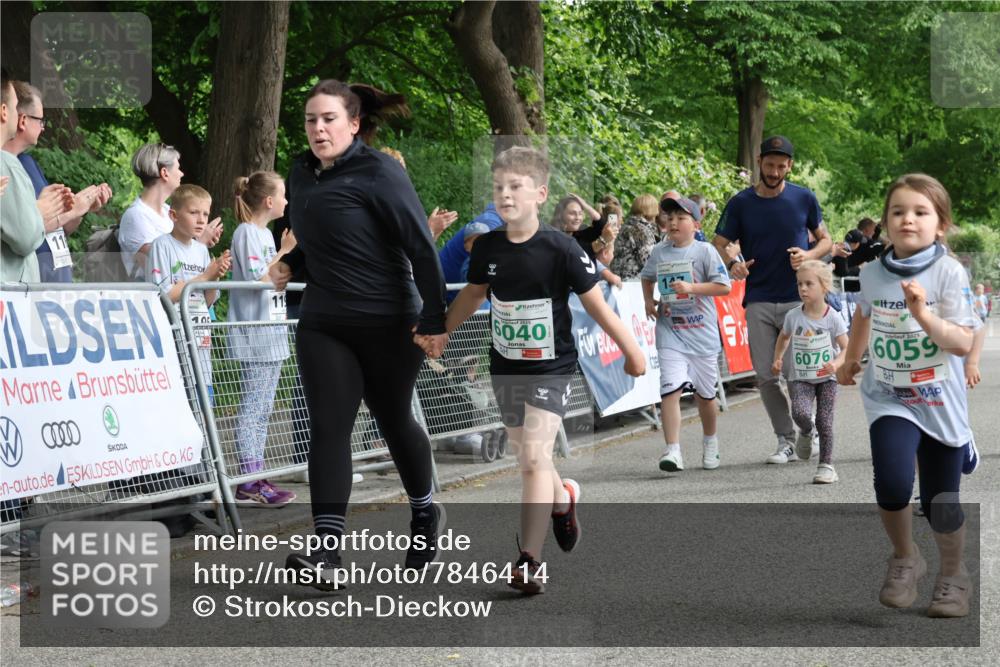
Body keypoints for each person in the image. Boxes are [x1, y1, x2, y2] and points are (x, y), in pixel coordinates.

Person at [443, 146, 646, 594]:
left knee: (534, 458)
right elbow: (473, 296)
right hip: (505, 367)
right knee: (530, 457)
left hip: (552, 367)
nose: (505, 194)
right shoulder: (489, 248)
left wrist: (633, 350)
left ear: (540, 193)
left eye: (515, 186)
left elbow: (596, 305)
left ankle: (529, 560)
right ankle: (564, 497)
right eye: (498, 187)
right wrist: (441, 333)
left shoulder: (561, 248)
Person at [270, 80, 448, 587]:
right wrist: (293, 262)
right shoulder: (301, 174)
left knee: (394, 421)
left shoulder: (380, 172)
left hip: (389, 321)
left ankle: (424, 510)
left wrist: (434, 320)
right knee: (329, 427)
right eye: (310, 120)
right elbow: (322, 235)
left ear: (352, 124)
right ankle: (326, 553)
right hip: (326, 321)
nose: (318, 129)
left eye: (328, 119)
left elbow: (419, 246)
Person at [836, 173, 979, 618]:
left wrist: (922, 315)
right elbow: (864, 315)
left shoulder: (949, 272)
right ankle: (905, 557)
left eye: (920, 212)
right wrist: (850, 360)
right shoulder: (873, 273)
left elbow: (961, 341)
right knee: (894, 483)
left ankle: (954, 575)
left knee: (941, 501)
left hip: (939, 400)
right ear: (885, 222)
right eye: (898, 211)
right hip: (889, 397)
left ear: (940, 225)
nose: (908, 220)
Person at [713, 135, 832, 465]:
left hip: (799, 299)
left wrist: (808, 254)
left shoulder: (803, 198)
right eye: (769, 165)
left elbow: (826, 240)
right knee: (766, 376)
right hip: (759, 299)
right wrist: (733, 263)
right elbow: (720, 241)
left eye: (781, 166)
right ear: (759, 162)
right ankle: (786, 440)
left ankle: (810, 429)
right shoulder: (741, 203)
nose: (775, 171)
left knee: (799, 375)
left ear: (789, 166)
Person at [640, 196, 731, 472]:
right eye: (670, 218)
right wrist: (647, 300)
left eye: (681, 218)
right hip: (671, 332)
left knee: (706, 397)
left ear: (696, 224)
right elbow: (647, 276)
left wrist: (692, 289)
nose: (674, 223)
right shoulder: (659, 251)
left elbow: (723, 287)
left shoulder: (705, 251)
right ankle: (673, 450)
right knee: (670, 389)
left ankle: (710, 442)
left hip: (702, 335)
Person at [229, 172, 298, 506]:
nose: (286, 202)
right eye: (283, 195)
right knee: (253, 408)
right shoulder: (246, 233)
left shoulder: (265, 236)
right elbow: (258, 279)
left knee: (265, 409)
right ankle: (248, 477)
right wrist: (283, 251)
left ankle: (257, 473)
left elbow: (271, 277)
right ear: (268, 201)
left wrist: (283, 265)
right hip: (255, 334)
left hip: (272, 333)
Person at [3, 82, 111, 282]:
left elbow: (55, 227)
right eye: (40, 120)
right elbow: (25, 233)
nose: (43, 127)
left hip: (54, 280)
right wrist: (71, 210)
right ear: (23, 121)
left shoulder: (27, 162)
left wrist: (80, 208)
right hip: (25, 288)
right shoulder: (5, 168)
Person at [146, 185, 231, 404]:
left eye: (205, 214)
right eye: (194, 213)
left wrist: (214, 277)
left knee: (205, 411)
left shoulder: (201, 250)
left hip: (200, 343)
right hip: (174, 344)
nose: (201, 220)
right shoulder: (162, 246)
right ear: (173, 215)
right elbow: (163, 295)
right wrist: (204, 277)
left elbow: (208, 301)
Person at [770, 260, 849, 484]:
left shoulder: (832, 317)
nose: (803, 288)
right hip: (800, 377)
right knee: (800, 413)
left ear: (823, 286)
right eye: (799, 284)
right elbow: (783, 337)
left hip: (827, 378)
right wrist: (777, 358)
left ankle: (826, 465)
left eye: (809, 284)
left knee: (825, 420)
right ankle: (806, 431)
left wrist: (836, 364)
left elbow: (847, 347)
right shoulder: (794, 316)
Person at [119, 143, 222, 280]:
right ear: (164, 173)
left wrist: (198, 238)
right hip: (152, 299)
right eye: (178, 168)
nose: (182, 173)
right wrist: (200, 242)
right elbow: (161, 267)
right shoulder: (136, 216)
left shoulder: (168, 211)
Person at [0, 68, 45, 283]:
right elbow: (26, 237)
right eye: (15, 107)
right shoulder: (5, 163)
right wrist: (39, 213)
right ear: (4, 111)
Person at [610, 193, 659, 280]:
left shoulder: (626, 226)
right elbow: (649, 260)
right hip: (633, 281)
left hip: (618, 277)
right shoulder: (641, 231)